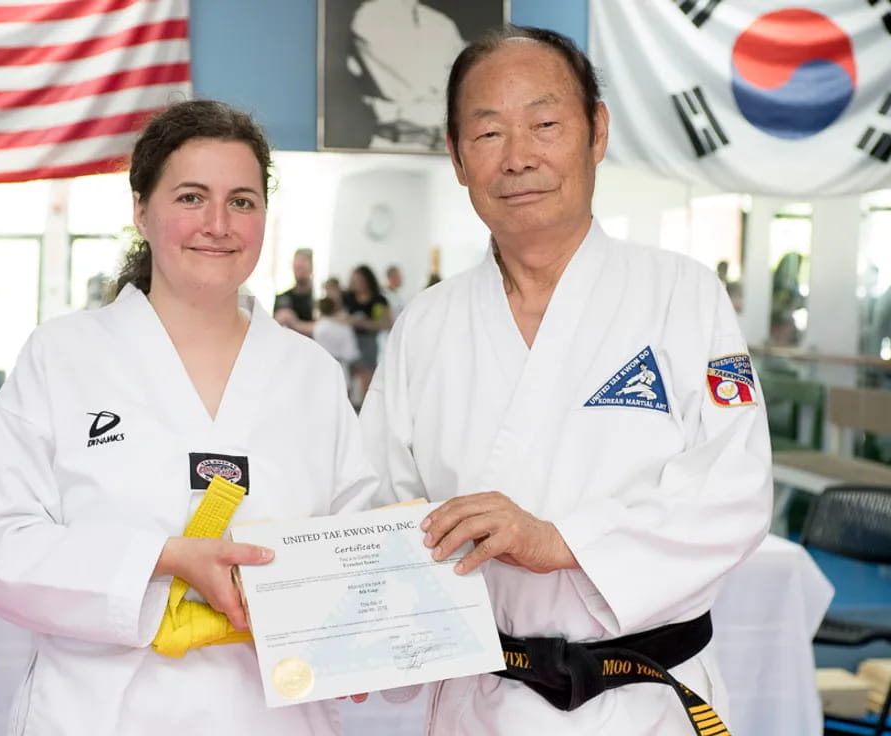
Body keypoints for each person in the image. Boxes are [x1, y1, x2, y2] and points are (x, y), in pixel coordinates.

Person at [360, 25, 772, 736]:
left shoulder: (682, 296)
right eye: (488, 134)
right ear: (458, 158)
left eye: (545, 124)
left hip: (645, 702)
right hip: (478, 704)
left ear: (597, 132)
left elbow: (733, 491)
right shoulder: (425, 325)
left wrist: (563, 542)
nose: (519, 158)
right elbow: (375, 505)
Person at [0, 100, 376, 736]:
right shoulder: (64, 355)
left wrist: (360, 631)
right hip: (97, 712)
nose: (218, 223)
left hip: (272, 713)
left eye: (242, 201)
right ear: (140, 209)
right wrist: (160, 559)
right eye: (191, 197)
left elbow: (356, 545)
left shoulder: (310, 374)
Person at [348, 0, 465, 150]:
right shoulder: (370, 17)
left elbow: (466, 81)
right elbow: (417, 83)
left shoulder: (440, 22)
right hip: (400, 145)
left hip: (445, 145)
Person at [344, 264, 392, 402]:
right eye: (355, 280)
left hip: (368, 341)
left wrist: (365, 323)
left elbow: (387, 323)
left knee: (367, 377)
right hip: (349, 340)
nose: (358, 284)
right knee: (346, 377)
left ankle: (366, 409)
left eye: (361, 280)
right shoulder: (348, 297)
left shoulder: (378, 300)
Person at [314, 295, 361, 390]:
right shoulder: (344, 327)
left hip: (321, 367)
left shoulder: (318, 327)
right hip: (340, 367)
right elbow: (350, 353)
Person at [274, 247, 315, 336]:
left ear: (311, 267)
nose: (299, 271)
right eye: (297, 267)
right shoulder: (283, 297)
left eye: (303, 267)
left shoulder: (318, 299)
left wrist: (296, 324)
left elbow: (323, 328)